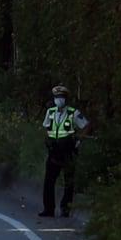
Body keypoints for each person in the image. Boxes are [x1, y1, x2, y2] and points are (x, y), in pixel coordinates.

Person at [40, 85, 88, 217]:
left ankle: (65, 209)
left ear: (66, 99)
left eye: (61, 97)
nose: (59, 99)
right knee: (49, 181)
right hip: (54, 150)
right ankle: (48, 209)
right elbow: (46, 127)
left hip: (68, 151)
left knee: (69, 182)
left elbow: (86, 126)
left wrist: (79, 140)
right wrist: (48, 140)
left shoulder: (73, 113)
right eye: (57, 97)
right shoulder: (50, 112)